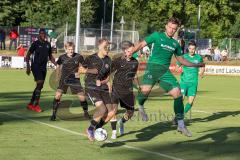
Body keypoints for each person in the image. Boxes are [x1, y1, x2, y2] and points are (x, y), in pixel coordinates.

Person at [129, 17, 205, 137]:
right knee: (145, 92)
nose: (171, 30)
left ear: (176, 30)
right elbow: (142, 44)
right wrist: (131, 51)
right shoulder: (156, 36)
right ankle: (141, 105)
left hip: (165, 72)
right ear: (166, 26)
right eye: (170, 27)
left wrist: (196, 64)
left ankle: (180, 124)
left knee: (178, 93)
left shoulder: (175, 44)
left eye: (174, 29)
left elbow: (181, 60)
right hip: (152, 69)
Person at [50, 42, 92, 121]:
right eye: (69, 49)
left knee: (82, 97)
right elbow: (58, 67)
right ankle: (54, 114)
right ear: (66, 49)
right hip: (64, 79)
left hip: (74, 80)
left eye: (72, 49)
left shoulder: (79, 57)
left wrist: (78, 73)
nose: (71, 51)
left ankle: (86, 113)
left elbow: (83, 67)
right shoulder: (62, 57)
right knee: (58, 95)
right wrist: (57, 77)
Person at [82, 38, 113, 141]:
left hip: (102, 87)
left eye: (108, 46)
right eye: (105, 46)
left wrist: (104, 82)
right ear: (99, 47)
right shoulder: (90, 58)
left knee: (111, 113)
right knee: (102, 109)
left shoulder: (108, 60)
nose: (107, 48)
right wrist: (87, 71)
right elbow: (81, 69)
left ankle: (98, 128)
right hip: (91, 86)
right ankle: (90, 129)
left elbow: (108, 77)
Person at [109, 41, 139, 139]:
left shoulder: (135, 62)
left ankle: (121, 122)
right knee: (113, 111)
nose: (131, 52)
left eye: (132, 50)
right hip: (116, 88)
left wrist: (138, 86)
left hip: (128, 90)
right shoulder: (117, 61)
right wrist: (108, 84)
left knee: (130, 112)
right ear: (124, 50)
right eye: (129, 51)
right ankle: (114, 132)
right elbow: (109, 73)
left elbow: (134, 75)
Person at [26, 28, 56, 112]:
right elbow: (28, 55)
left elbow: (50, 56)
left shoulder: (48, 44)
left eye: (44, 33)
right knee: (39, 83)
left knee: (40, 86)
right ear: (39, 34)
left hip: (43, 67)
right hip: (35, 66)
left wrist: (57, 65)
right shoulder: (35, 44)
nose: (43, 35)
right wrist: (28, 66)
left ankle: (30, 104)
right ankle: (36, 105)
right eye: (41, 33)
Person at [176, 41, 205, 117]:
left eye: (193, 49)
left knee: (190, 102)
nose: (191, 50)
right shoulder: (184, 57)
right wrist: (179, 69)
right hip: (183, 82)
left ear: (195, 49)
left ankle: (180, 116)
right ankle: (177, 116)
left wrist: (202, 72)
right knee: (180, 100)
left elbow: (202, 65)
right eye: (190, 48)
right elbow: (177, 67)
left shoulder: (198, 57)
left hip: (193, 83)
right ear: (188, 48)